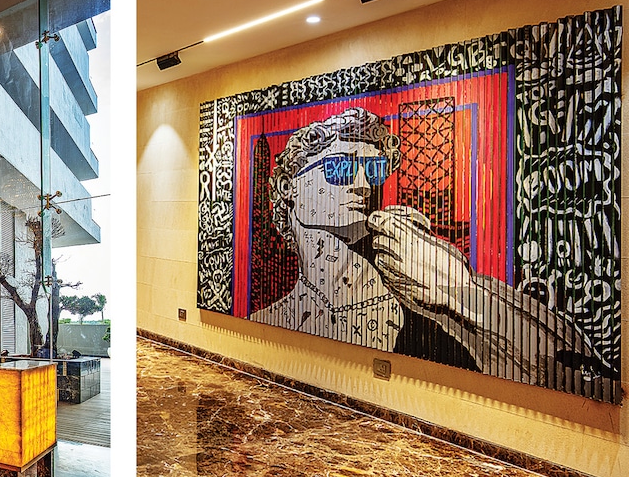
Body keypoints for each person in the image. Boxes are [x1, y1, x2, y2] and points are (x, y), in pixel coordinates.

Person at [254, 106, 602, 385]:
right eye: (341, 168)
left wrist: (460, 292)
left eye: (373, 170)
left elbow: (579, 373)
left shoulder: (417, 284)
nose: (362, 184)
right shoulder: (267, 321)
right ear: (289, 187)